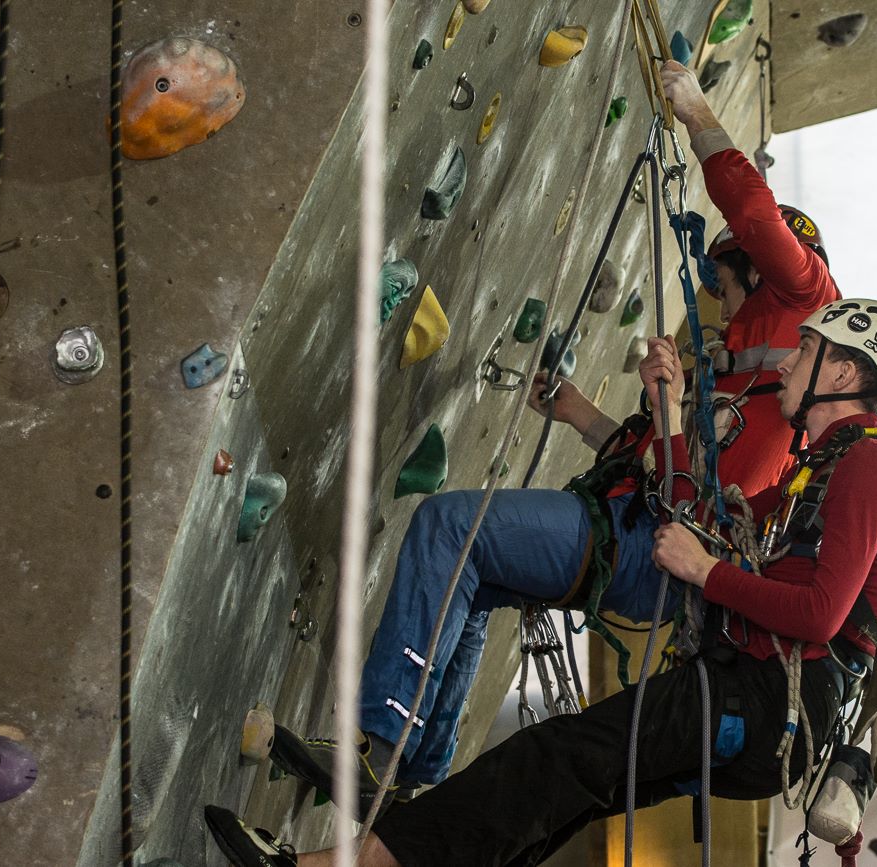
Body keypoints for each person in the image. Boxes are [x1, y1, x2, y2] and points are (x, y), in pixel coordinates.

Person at [263, 59, 840, 818]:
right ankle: (418, 762)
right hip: (646, 541)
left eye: (728, 285)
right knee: (480, 577)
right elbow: (666, 472)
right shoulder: (746, 385)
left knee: (450, 525)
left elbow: (756, 214)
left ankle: (381, 742)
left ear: (759, 270)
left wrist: (699, 114)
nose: (722, 306)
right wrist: (585, 417)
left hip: (655, 549)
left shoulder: (806, 299)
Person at [204, 297, 877, 867]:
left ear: (842, 373)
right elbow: (700, 512)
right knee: (560, 794)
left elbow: (819, 613)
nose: (791, 362)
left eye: (807, 350)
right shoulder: (819, 472)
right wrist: (669, 409)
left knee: (550, 760)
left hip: (759, 700)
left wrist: (706, 571)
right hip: (756, 710)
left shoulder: (871, 467)